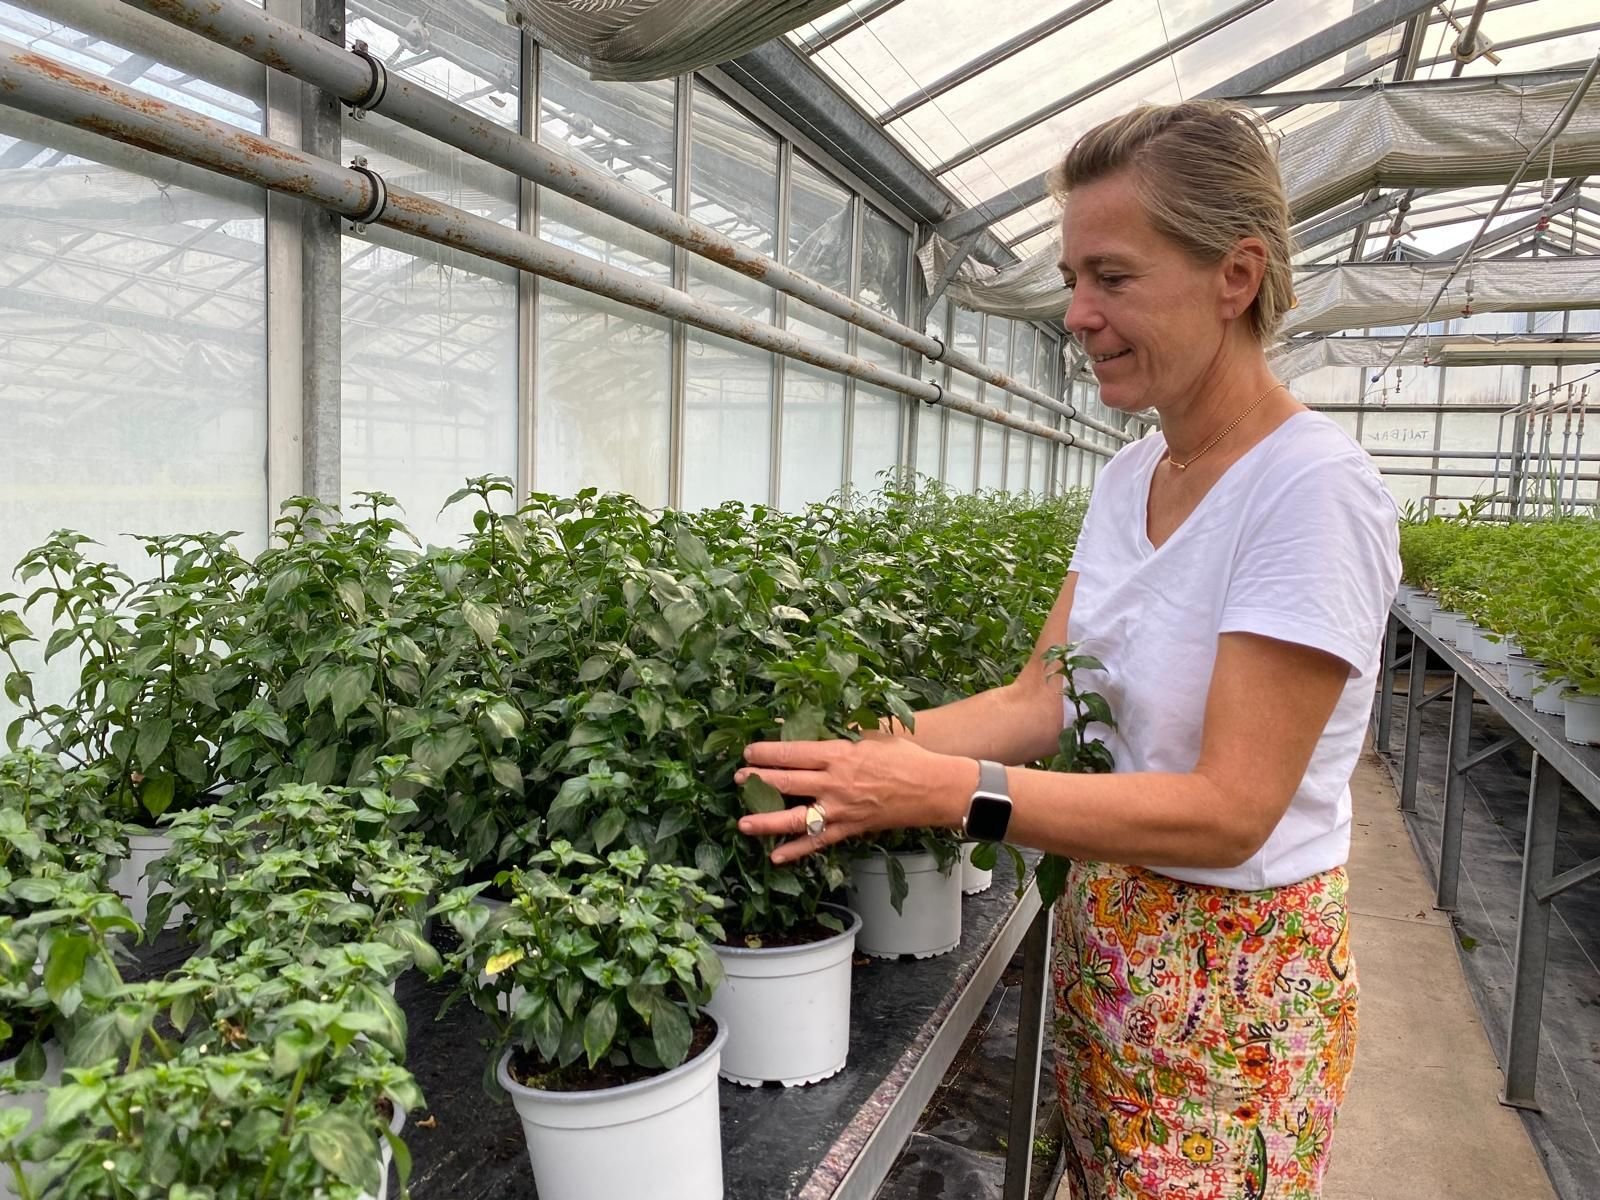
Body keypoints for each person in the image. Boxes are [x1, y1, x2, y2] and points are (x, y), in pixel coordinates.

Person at [736, 100, 1400, 1200]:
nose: (1076, 314)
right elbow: (1045, 696)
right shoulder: (1132, 474)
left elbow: (1232, 807)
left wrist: (949, 792)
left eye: (1113, 277)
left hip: (1230, 983)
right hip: (1112, 937)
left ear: (1235, 277)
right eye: (1072, 278)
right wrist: (844, 761)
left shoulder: (1310, 492)